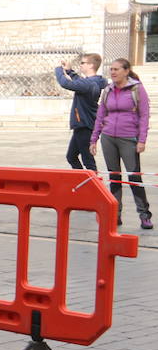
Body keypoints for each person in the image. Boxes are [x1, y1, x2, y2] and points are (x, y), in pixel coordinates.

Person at [90, 58, 151, 229]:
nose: (113, 72)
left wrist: (141, 140)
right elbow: (100, 116)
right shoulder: (108, 90)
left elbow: (144, 116)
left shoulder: (137, 89)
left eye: (117, 69)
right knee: (114, 177)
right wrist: (94, 138)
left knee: (134, 176)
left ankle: (144, 215)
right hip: (109, 137)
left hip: (129, 138)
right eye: (111, 69)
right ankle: (115, 215)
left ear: (126, 71)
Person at [57, 54, 103, 172]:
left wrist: (59, 70)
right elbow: (80, 82)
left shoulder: (88, 84)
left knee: (88, 161)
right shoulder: (91, 82)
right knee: (71, 157)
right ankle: (83, 182)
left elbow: (65, 83)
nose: (80, 65)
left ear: (91, 65)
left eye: (83, 63)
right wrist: (69, 71)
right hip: (82, 125)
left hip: (84, 125)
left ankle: (93, 187)